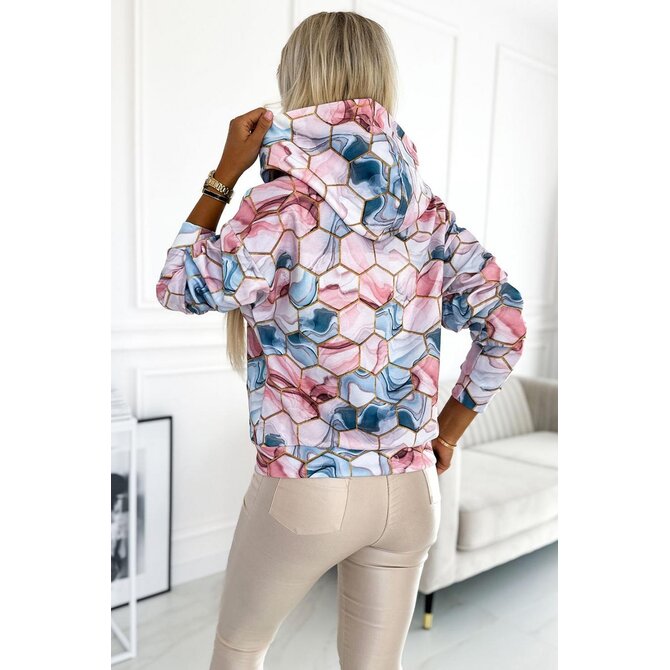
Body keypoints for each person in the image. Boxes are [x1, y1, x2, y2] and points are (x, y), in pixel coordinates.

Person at [155, 11, 527, 670]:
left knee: (239, 650)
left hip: (307, 489)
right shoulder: (429, 214)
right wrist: (446, 434)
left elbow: (179, 286)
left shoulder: (283, 206)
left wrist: (222, 176)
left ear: (296, 82)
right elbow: (507, 323)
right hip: (410, 492)